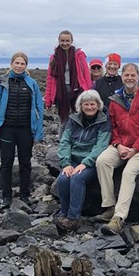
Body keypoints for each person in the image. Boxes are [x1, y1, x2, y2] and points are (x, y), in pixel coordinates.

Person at [95, 63, 139, 235]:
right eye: (127, 75)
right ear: (122, 77)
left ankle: (118, 217)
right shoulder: (115, 99)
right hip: (122, 144)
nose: (130, 78)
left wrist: (135, 148)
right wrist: (118, 144)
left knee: (128, 173)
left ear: (138, 76)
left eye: (133, 75)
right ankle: (109, 206)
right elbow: (113, 127)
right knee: (102, 161)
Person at [0, 52, 44, 208]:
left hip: (26, 129)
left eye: (22, 64)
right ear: (11, 64)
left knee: (25, 162)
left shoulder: (32, 83)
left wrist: (38, 131)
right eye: (17, 63)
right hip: (7, 128)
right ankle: (6, 196)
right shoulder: (2, 82)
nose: (19, 66)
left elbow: (40, 107)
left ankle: (25, 195)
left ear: (26, 66)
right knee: (6, 163)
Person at [55, 90, 111, 231]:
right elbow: (65, 142)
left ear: (98, 105)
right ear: (81, 105)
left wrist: (86, 163)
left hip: (91, 162)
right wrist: (66, 163)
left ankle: (73, 218)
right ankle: (64, 212)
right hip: (73, 159)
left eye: (93, 104)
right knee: (62, 178)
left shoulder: (104, 121)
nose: (89, 107)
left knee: (77, 178)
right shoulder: (73, 120)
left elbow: (101, 146)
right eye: (86, 104)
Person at [45, 30, 91, 137]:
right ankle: (62, 145)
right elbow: (50, 78)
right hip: (61, 91)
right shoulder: (54, 57)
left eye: (67, 41)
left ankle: (78, 143)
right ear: (58, 41)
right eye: (62, 41)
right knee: (63, 121)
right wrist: (48, 99)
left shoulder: (79, 55)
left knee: (79, 117)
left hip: (77, 89)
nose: (65, 43)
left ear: (72, 41)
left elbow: (86, 75)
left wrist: (89, 93)